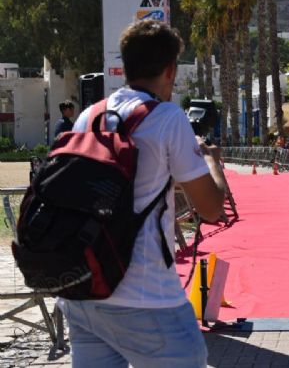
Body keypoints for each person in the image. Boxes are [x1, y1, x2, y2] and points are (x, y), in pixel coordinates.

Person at [59, 20, 227, 368]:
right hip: (147, 298)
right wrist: (211, 161)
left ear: (125, 66)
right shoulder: (168, 117)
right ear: (170, 70)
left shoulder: (89, 116)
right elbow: (212, 209)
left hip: (84, 292)